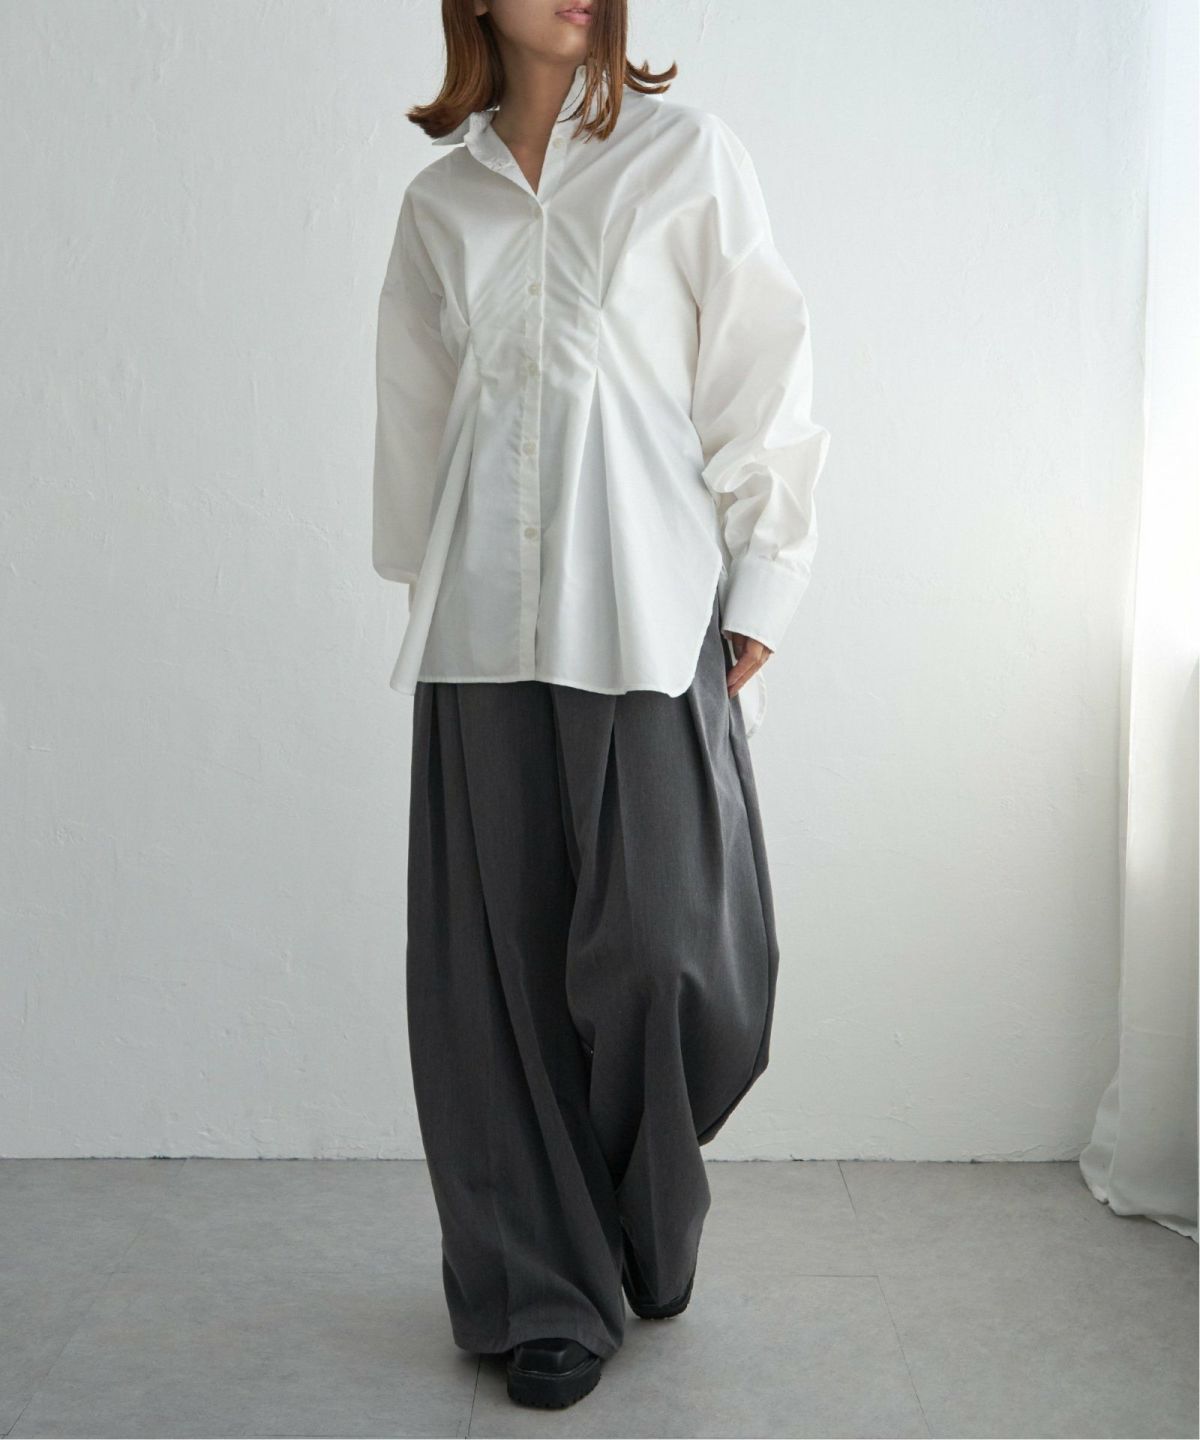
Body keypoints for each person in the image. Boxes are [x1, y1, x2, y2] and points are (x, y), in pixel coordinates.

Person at [372, 0, 831, 1411]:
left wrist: (765, 578)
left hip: (647, 612)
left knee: (672, 954)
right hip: (482, 629)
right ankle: (544, 1292)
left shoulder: (686, 157)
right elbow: (417, 420)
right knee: (495, 985)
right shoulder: (440, 203)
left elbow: (762, 373)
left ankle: (643, 1216)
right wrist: (426, 595)